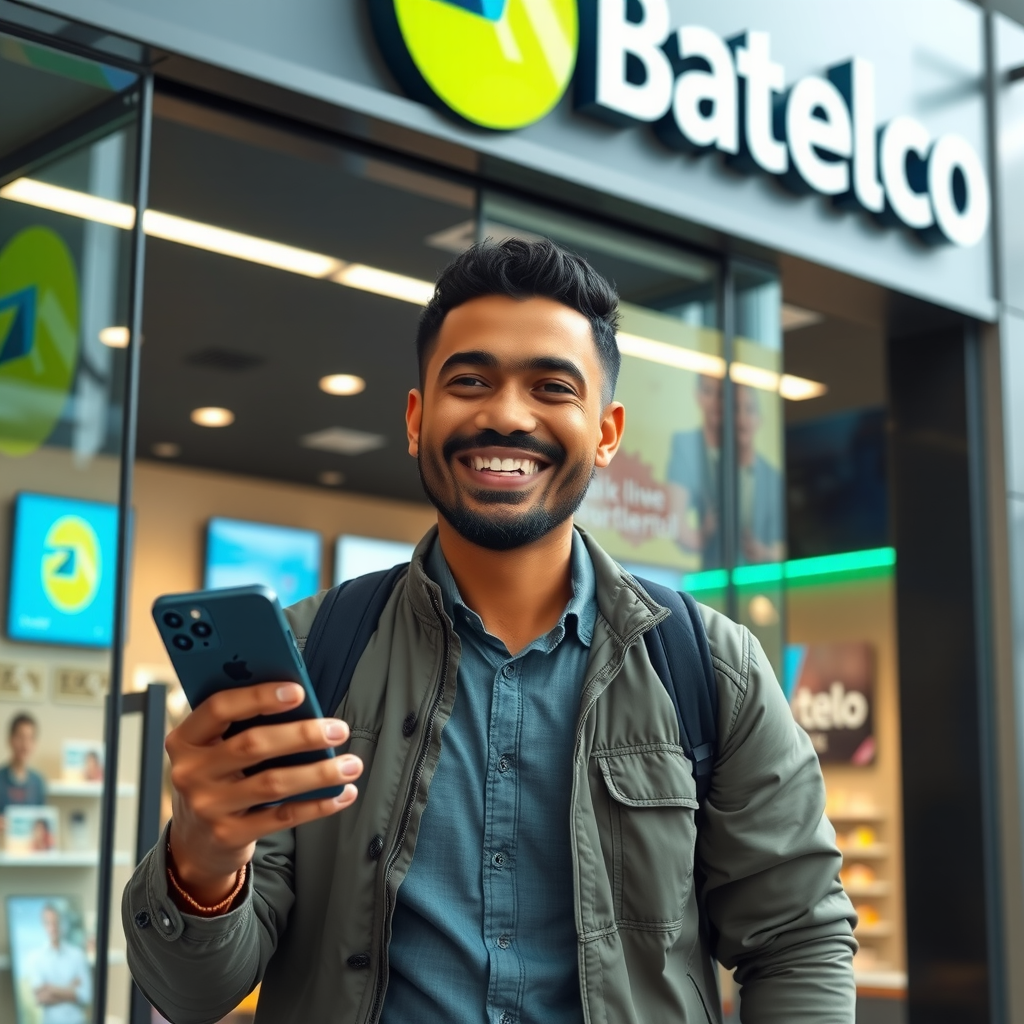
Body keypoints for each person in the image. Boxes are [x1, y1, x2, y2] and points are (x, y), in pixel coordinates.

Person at [123, 239, 856, 1023]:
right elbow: (193, 993)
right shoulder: (311, 657)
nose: (506, 415)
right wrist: (202, 860)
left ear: (606, 433)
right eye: (469, 381)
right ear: (416, 419)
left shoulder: (710, 669)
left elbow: (796, 940)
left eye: (551, 387)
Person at [667, 377, 784, 566]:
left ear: (760, 419)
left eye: (750, 410)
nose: (742, 420)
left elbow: (786, 544)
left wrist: (765, 552)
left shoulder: (770, 477)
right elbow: (677, 525)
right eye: (736, 410)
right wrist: (704, 532)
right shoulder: (705, 460)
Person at [24, 903, 92, 1024]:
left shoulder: (77, 955)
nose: (53, 927)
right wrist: (71, 988)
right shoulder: (35, 958)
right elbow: (40, 998)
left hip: (78, 1021)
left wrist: (50, 988)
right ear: (43, 925)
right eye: (48, 923)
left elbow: (86, 995)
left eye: (55, 922)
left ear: (61, 923)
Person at [0, 712, 47, 813]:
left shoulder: (38, 782)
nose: (25, 744)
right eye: (20, 737)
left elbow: (42, 820)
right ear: (10, 739)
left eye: (30, 738)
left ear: (35, 743)